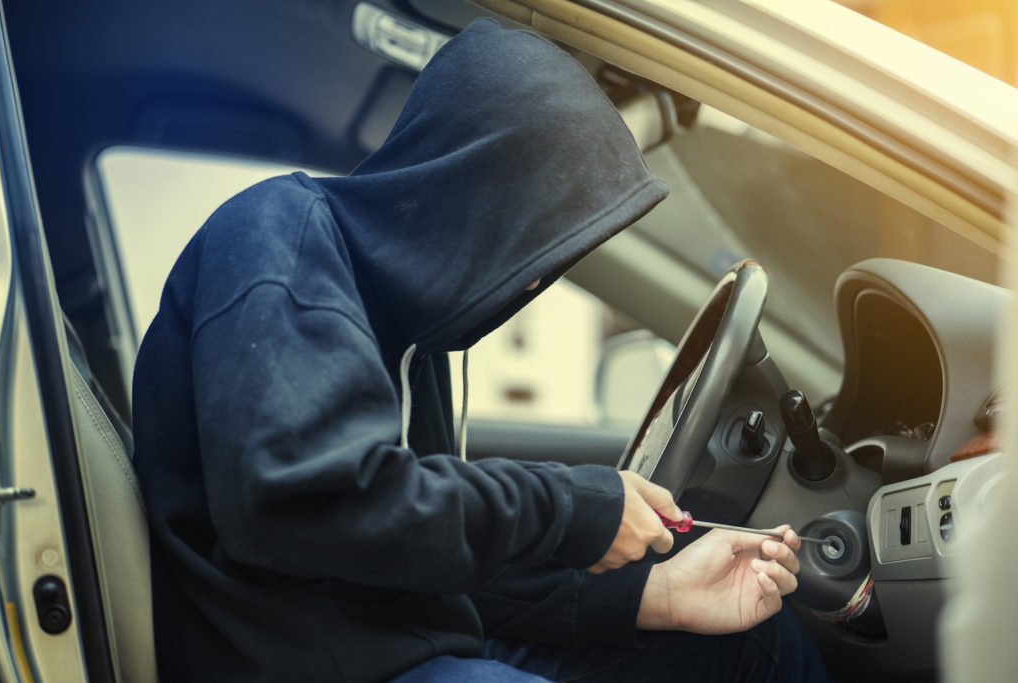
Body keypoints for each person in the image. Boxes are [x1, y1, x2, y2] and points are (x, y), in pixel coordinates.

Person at [133, 19, 827, 683]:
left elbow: (424, 556)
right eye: (534, 247)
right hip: (311, 664)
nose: (533, 281)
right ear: (468, 192)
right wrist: (570, 509)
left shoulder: (410, 339)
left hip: (402, 649)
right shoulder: (281, 238)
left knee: (757, 645)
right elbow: (307, 502)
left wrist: (657, 594)